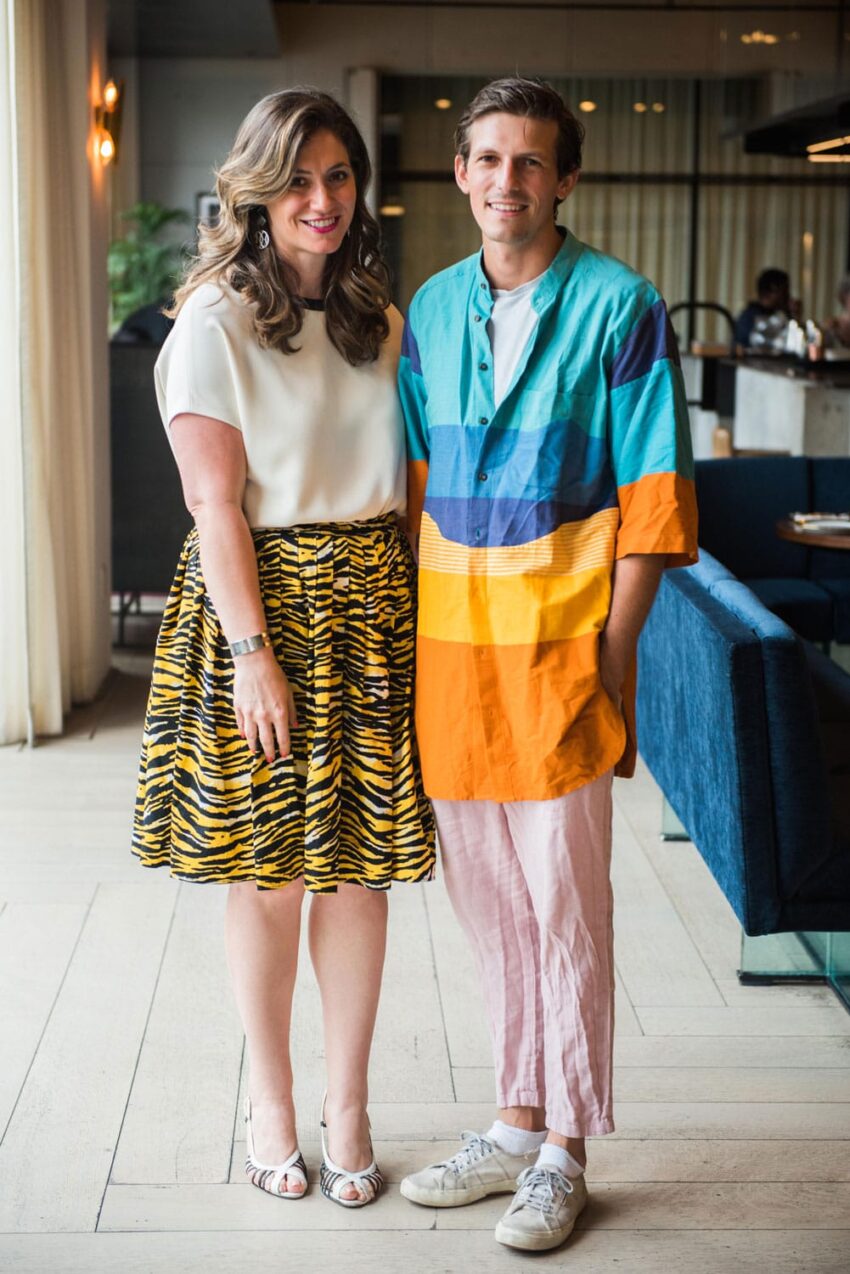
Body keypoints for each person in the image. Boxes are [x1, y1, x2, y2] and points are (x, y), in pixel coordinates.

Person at [397, 77, 697, 1253]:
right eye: (487, 158)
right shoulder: (429, 310)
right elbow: (416, 489)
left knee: (567, 906)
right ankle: (514, 1117)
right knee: (492, 909)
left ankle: (566, 1147)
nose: (506, 181)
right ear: (460, 172)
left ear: (564, 177)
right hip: (452, 659)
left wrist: (612, 662)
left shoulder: (622, 306)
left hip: (563, 657)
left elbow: (652, 502)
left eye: (529, 161)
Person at [132, 88, 435, 1209]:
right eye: (298, 178)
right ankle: (270, 1101)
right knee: (272, 875)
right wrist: (253, 652)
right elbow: (212, 504)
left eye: (339, 175)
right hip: (260, 606)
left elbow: (409, 489)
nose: (322, 198)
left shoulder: (379, 322)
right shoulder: (212, 322)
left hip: (374, 611)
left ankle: (348, 1107)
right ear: (256, 191)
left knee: (357, 874)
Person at [733, 267, 797, 348]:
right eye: (784, 291)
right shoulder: (748, 318)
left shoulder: (782, 315)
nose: (787, 296)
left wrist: (793, 316)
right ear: (771, 289)